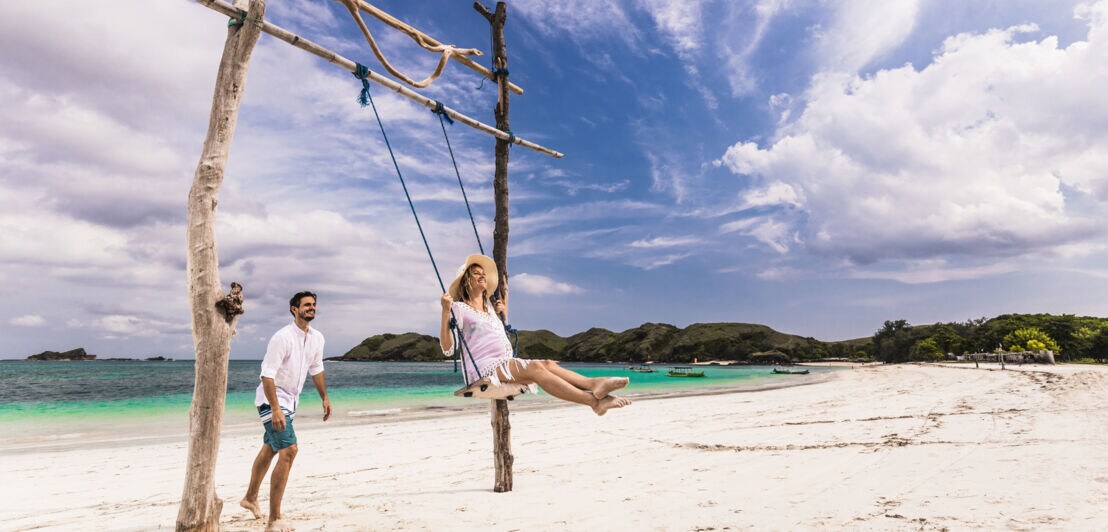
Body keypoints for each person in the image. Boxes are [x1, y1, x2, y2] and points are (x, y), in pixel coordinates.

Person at [439, 254, 631, 415]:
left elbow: (496, 339)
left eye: (483, 273)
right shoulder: (459, 308)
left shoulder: (490, 310)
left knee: (547, 363)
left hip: (503, 362)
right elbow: (447, 349)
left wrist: (503, 317)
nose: (482, 276)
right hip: (483, 368)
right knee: (536, 368)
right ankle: (594, 402)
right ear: (466, 281)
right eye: (476, 273)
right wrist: (445, 312)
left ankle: (594, 383)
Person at [240, 291, 332, 532]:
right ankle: (274, 520)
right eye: (306, 305)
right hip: (271, 400)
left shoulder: (317, 338)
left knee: (270, 449)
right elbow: (267, 374)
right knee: (289, 450)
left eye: (314, 305)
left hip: (291, 402)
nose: (311, 308)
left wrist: (324, 397)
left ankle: (250, 498)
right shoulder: (282, 337)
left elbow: (317, 369)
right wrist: (275, 408)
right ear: (294, 309)